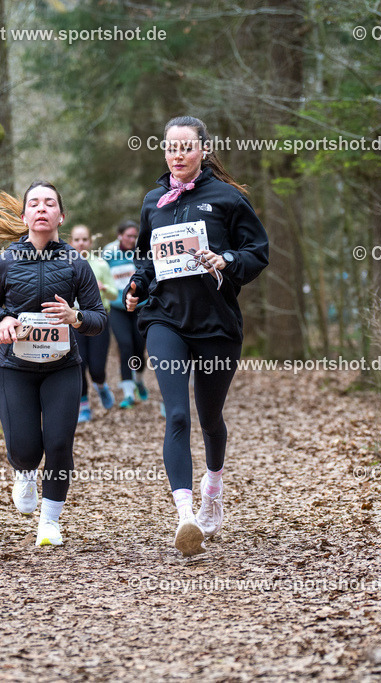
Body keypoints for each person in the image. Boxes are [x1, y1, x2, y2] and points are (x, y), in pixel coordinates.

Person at [125, 116, 268, 556]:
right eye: (171, 148)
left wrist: (226, 259)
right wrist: (137, 288)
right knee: (177, 416)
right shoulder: (155, 201)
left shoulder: (227, 198)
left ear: (203, 150)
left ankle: (213, 491)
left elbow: (257, 252)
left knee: (209, 419)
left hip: (217, 325)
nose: (178, 155)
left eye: (186, 147)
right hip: (166, 320)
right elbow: (147, 258)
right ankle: (185, 517)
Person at [0, 181, 107, 547]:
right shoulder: (5, 262)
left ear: (60, 216)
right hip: (14, 369)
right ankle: (24, 474)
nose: (42, 208)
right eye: (34, 203)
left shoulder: (76, 264)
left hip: (62, 369)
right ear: (24, 216)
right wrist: (1, 319)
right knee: (26, 448)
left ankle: (49, 522)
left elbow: (99, 317)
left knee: (59, 443)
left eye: (49, 203)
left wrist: (74, 316)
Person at [68, 224, 118, 422]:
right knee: (79, 365)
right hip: (74, 320)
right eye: (77, 240)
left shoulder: (100, 265)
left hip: (98, 318)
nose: (81, 243)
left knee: (96, 367)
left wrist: (103, 287)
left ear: (90, 242)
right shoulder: (66, 264)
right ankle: (84, 406)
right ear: (71, 242)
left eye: (85, 239)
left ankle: (101, 384)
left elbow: (115, 294)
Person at [103, 220, 151, 408]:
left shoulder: (141, 251)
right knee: (125, 346)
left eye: (134, 236)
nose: (132, 239)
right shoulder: (109, 252)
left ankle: (138, 380)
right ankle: (128, 393)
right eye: (128, 236)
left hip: (140, 306)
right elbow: (100, 272)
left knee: (139, 347)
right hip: (117, 307)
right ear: (120, 236)